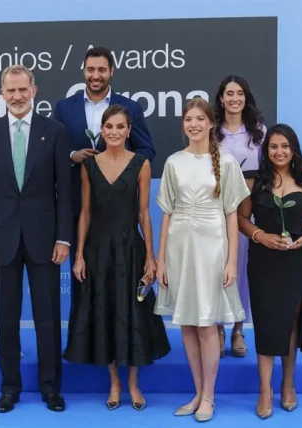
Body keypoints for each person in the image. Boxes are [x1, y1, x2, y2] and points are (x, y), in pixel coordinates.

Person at [0, 64, 72, 413]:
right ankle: (9, 387)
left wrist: (64, 238)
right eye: (10, 91)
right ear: (2, 94)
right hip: (1, 241)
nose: (16, 96)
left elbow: (65, 191)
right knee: (6, 318)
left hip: (45, 239)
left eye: (22, 90)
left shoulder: (55, 131)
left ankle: (50, 388)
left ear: (34, 90)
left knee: (48, 317)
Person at [64, 105, 171, 411]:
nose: (114, 132)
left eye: (120, 126)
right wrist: (80, 255)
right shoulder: (89, 166)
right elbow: (84, 213)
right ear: (102, 129)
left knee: (133, 314)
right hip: (97, 250)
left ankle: (134, 385)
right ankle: (114, 383)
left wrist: (150, 257)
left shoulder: (141, 164)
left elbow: (143, 214)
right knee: (105, 312)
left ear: (128, 131)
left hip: (130, 249)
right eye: (108, 126)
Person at [154, 97, 250, 422]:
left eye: (199, 119)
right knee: (188, 325)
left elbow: (233, 215)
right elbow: (166, 213)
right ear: (184, 125)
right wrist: (161, 260)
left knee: (208, 324)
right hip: (179, 249)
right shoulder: (173, 163)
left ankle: (210, 396)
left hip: (213, 250)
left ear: (210, 123)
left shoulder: (227, 162)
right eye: (188, 119)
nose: (193, 124)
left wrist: (232, 261)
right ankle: (197, 393)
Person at [53, 46, 155, 315]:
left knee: (123, 281)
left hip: (119, 210)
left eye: (101, 69)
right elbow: (51, 153)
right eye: (90, 70)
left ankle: (124, 342)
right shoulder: (64, 108)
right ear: (83, 71)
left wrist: (116, 159)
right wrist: (73, 156)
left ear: (112, 71)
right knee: (83, 275)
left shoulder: (130, 108)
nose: (95, 75)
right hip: (80, 206)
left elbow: (147, 151)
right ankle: (87, 342)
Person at [237, 124, 302, 418]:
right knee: (266, 324)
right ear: (266, 151)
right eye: (273, 146)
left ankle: (288, 385)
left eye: (285, 146)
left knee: (290, 323)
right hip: (263, 262)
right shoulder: (255, 182)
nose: (279, 152)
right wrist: (260, 236)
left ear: (293, 150)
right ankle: (265, 389)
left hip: (296, 261)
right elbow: (241, 218)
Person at [213, 75, 267, 358]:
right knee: (216, 269)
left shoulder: (258, 131)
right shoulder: (211, 131)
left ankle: (237, 329)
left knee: (240, 270)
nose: (234, 98)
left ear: (246, 98)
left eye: (240, 93)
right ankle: (218, 329)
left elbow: (265, 172)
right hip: (212, 211)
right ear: (221, 98)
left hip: (245, 212)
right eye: (229, 93)